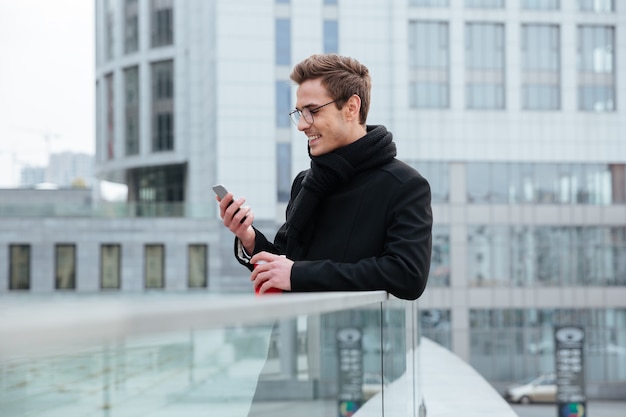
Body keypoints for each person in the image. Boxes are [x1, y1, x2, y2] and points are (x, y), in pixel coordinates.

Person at [217, 53, 432, 300]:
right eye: (299, 112)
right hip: (292, 335)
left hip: (356, 336)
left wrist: (298, 274)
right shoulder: (304, 182)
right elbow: (286, 261)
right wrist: (249, 237)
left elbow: (407, 275)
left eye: (312, 111)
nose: (301, 125)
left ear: (351, 108)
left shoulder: (405, 185)